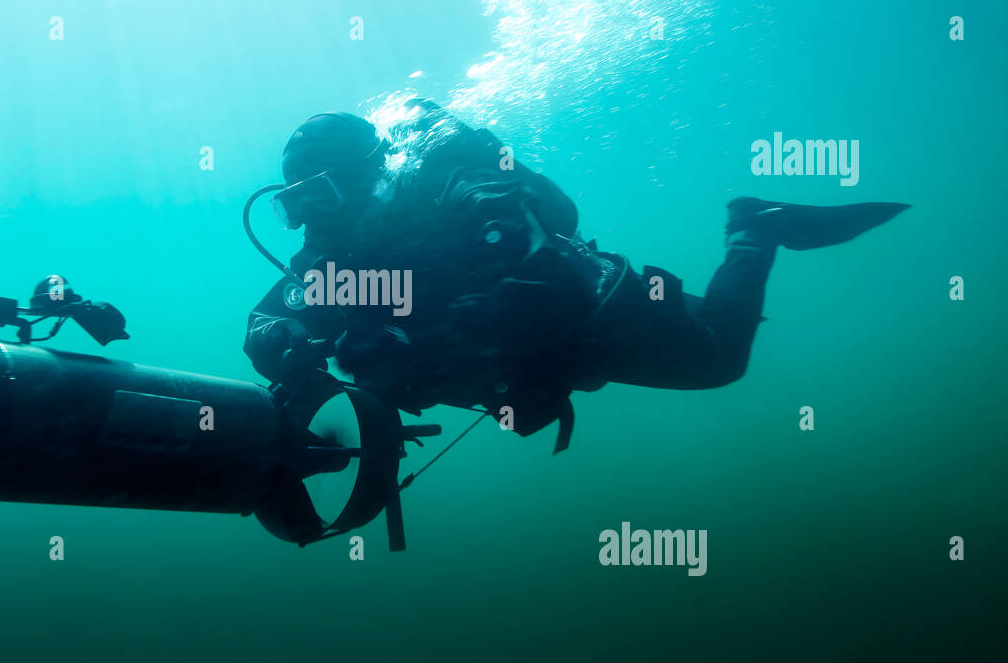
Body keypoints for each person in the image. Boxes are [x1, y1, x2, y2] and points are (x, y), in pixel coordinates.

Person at [244, 99, 908, 451]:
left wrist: (433, 340)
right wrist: (277, 340)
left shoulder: (452, 191)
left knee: (719, 359)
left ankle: (753, 228)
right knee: (706, 328)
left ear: (365, 173)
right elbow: (277, 312)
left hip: (600, 315)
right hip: (541, 357)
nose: (306, 218)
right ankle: (749, 234)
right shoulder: (330, 258)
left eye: (319, 195)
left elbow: (534, 271)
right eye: (291, 202)